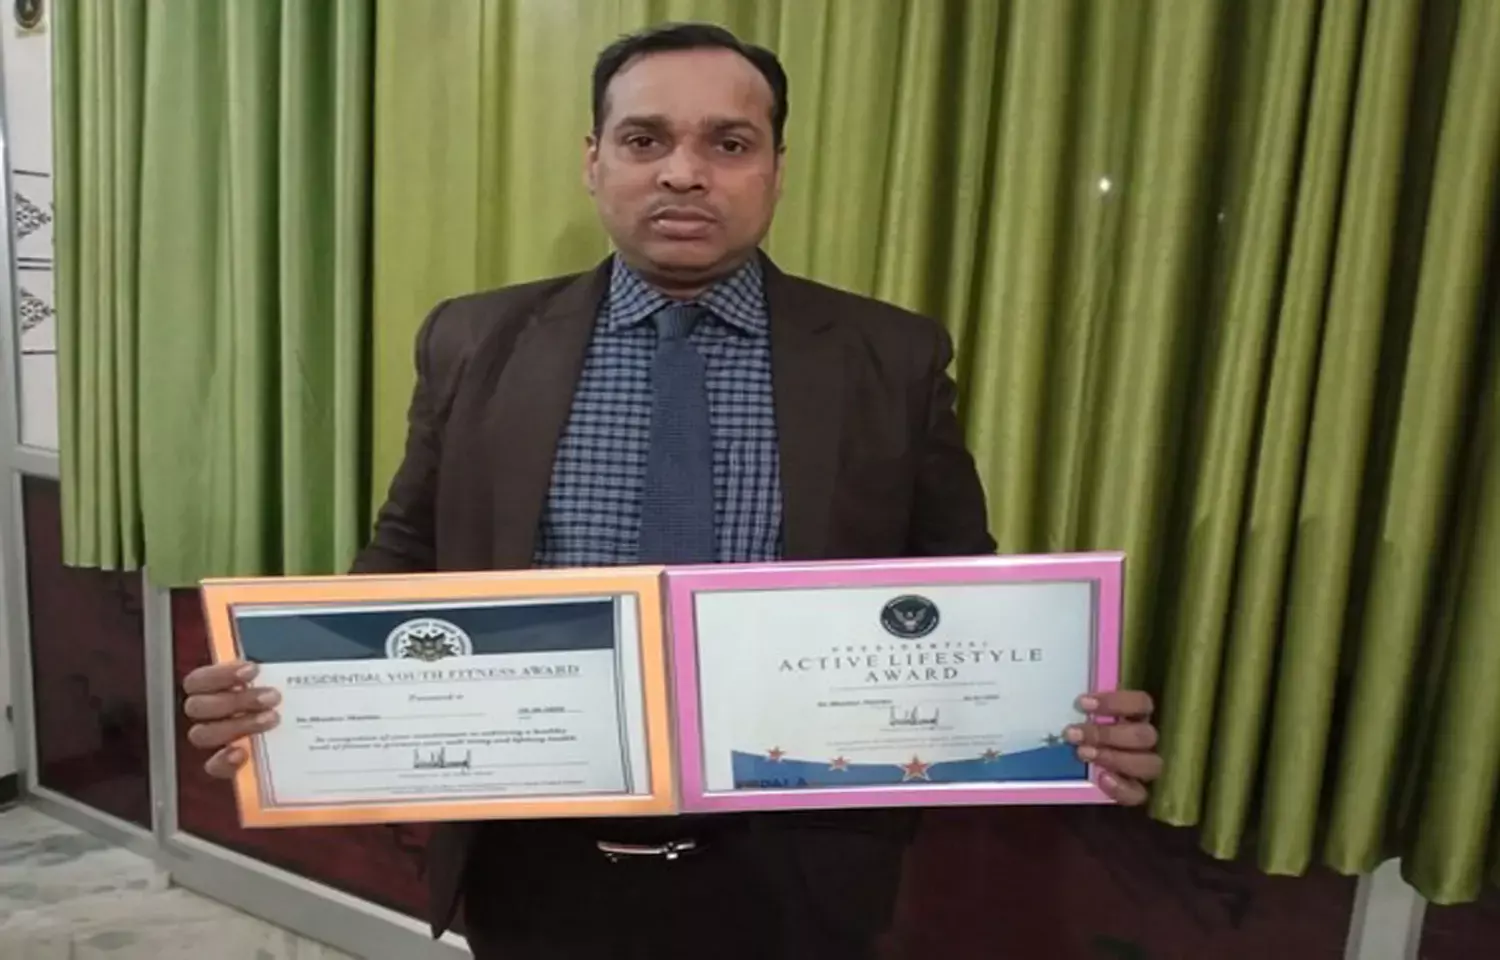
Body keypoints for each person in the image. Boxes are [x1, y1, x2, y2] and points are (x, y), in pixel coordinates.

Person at [181, 22, 1163, 960]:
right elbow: (408, 553)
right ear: (594, 160)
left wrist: (1058, 718)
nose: (683, 172)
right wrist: (297, 694)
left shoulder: (888, 355)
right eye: (644, 139)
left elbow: (956, 589)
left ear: (776, 167)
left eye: (728, 143)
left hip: (799, 858)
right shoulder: (475, 341)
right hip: (531, 848)